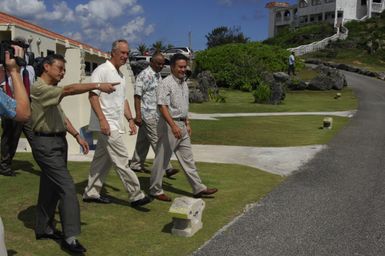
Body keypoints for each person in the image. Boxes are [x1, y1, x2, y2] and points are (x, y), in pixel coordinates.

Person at [30, 54, 117, 254]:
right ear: (46, 67)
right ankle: (70, 238)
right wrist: (97, 85)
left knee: (50, 187)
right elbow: (70, 89)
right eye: (59, 68)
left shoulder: (51, 92)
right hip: (45, 144)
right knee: (67, 187)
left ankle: (44, 227)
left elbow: (60, 116)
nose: (63, 72)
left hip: (58, 141)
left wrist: (77, 135)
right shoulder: (39, 88)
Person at [82, 39, 152, 207]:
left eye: (127, 53)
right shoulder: (102, 70)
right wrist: (102, 120)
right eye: (122, 53)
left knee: (101, 161)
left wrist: (130, 119)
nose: (125, 56)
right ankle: (136, 195)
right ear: (113, 52)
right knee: (121, 159)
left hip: (115, 123)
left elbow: (123, 101)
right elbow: (93, 96)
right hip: (107, 125)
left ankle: (91, 192)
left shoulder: (121, 75)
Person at [149, 53, 218, 202]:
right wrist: (173, 125)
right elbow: (162, 106)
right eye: (180, 67)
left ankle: (198, 188)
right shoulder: (165, 83)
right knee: (162, 159)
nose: (182, 69)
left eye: (184, 66)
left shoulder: (184, 83)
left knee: (188, 160)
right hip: (169, 125)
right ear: (172, 67)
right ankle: (155, 190)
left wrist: (187, 123)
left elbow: (184, 106)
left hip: (182, 125)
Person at [130, 52, 178, 178]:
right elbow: (137, 96)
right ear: (151, 61)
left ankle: (135, 164)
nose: (161, 66)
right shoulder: (143, 75)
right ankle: (167, 167)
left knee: (143, 141)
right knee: (157, 141)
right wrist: (138, 116)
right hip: (147, 114)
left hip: (155, 113)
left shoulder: (157, 75)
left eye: (162, 64)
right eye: (158, 63)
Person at [0, 36, 36, 177]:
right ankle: (5, 165)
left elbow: (31, 86)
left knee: (34, 136)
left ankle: (45, 163)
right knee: (10, 138)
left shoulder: (29, 69)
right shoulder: (4, 68)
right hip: (9, 105)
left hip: (26, 106)